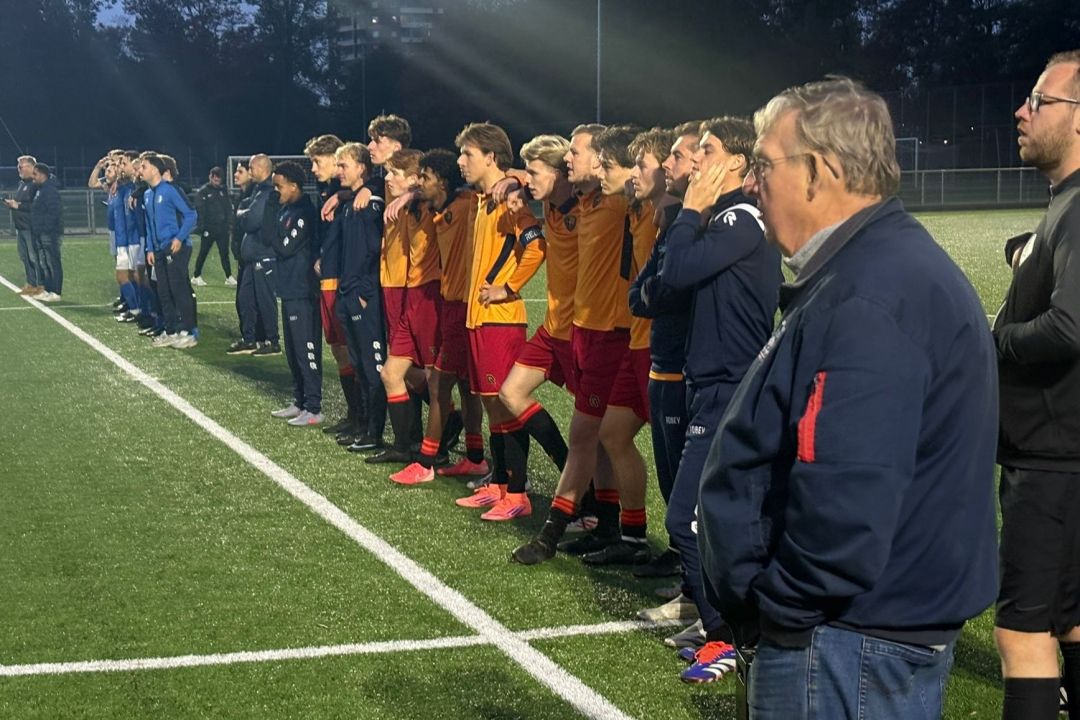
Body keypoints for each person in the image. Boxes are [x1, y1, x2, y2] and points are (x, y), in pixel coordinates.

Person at [697, 78, 999, 716]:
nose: (753, 183)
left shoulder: (871, 292)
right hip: (854, 636)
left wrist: (781, 608)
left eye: (762, 164)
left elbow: (845, 499)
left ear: (819, 172)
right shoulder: (876, 269)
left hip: (844, 641)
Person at [994, 49, 1080, 720]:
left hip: (1053, 462)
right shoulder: (1065, 206)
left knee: (1023, 634)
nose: (1022, 111)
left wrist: (994, 338)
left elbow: (1070, 328)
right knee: (1071, 621)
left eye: (1039, 101)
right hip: (1060, 457)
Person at [512, 123, 631, 561]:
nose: (569, 161)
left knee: (591, 435)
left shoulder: (619, 202)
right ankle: (612, 526)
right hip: (580, 329)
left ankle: (553, 533)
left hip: (610, 333)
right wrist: (515, 178)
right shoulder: (581, 202)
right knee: (599, 437)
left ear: (602, 160)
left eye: (575, 154)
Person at [452, 122, 546, 521]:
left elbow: (535, 246)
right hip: (479, 318)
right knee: (492, 405)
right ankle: (500, 482)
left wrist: (507, 288)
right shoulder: (483, 200)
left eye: (468, 154)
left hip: (501, 320)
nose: (461, 161)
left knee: (505, 406)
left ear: (491, 157)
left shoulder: (511, 200)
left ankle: (518, 493)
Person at [629, 122, 698, 589]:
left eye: (644, 164)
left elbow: (667, 290)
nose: (639, 172)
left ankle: (695, 585)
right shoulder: (664, 223)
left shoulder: (692, 227)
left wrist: (652, 292)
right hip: (661, 359)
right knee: (672, 481)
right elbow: (641, 294)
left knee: (686, 490)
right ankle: (679, 559)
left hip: (680, 366)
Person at [330, 142, 388, 450]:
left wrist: (365, 293)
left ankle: (375, 433)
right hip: (348, 293)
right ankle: (363, 426)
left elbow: (373, 252)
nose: (339, 171)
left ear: (361, 168)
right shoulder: (352, 203)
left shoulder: (370, 204)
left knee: (371, 365)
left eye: (344, 165)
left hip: (363, 296)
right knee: (359, 364)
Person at [265, 161, 323, 427]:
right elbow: (274, 240)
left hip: (303, 290)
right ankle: (299, 401)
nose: (277, 191)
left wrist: (274, 236)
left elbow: (283, 247)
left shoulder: (304, 213)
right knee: (292, 350)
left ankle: (314, 406)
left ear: (294, 186)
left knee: (305, 349)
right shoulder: (286, 210)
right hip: (288, 289)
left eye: (279, 186)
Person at [141, 154, 199, 348]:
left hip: (175, 248)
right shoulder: (147, 195)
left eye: (144, 166)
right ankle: (171, 330)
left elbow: (191, 214)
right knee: (163, 292)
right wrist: (149, 248)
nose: (141, 170)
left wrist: (179, 238)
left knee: (179, 290)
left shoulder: (170, 190)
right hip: (157, 250)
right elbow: (149, 225)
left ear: (155, 170)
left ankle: (189, 332)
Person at [235, 154, 281, 356]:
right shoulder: (258, 191)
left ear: (262, 168)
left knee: (265, 300)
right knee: (246, 300)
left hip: (264, 255)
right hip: (252, 257)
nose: (250, 171)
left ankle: (273, 341)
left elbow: (252, 220)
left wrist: (242, 213)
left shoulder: (268, 192)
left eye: (252, 168)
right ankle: (249, 339)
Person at [192, 166, 236, 287]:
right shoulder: (203, 191)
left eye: (219, 180)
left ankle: (228, 276)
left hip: (222, 228)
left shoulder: (223, 191)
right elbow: (200, 210)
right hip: (209, 229)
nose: (217, 182)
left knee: (224, 253)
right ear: (210, 177)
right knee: (203, 252)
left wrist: (229, 224)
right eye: (215, 180)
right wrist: (202, 227)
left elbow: (228, 208)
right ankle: (196, 276)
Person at [4, 155, 40, 296]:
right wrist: (12, 204)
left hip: (31, 227)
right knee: (25, 257)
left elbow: (37, 206)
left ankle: (41, 285)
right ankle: (31, 284)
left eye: (21, 166)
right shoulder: (22, 184)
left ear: (32, 167)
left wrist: (17, 205)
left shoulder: (36, 184)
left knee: (34, 258)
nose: (18, 169)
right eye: (18, 166)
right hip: (21, 228)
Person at [29, 163, 63, 303]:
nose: (33, 177)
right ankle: (48, 289)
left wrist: (45, 228)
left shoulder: (49, 190)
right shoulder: (40, 189)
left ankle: (56, 291)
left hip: (48, 233)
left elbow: (54, 211)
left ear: (43, 174)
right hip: (40, 232)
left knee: (52, 261)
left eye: (35, 174)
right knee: (44, 263)